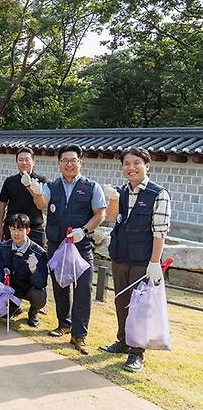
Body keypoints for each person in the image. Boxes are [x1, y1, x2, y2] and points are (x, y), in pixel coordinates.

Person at [100, 147, 171, 373]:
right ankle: (122, 340)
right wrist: (112, 198)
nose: (131, 168)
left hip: (143, 260)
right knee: (121, 301)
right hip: (121, 255)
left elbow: (159, 232)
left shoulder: (158, 194)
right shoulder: (121, 192)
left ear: (147, 165)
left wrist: (154, 263)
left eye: (136, 163)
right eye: (126, 164)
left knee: (139, 306)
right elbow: (112, 218)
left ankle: (136, 352)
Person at [34, 144, 106, 354]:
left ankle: (79, 334)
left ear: (80, 163)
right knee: (59, 285)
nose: (69, 164)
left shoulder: (92, 187)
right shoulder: (52, 186)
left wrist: (84, 230)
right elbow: (41, 203)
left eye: (73, 160)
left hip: (81, 245)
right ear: (58, 164)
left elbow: (100, 214)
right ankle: (63, 323)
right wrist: (35, 190)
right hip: (57, 244)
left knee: (83, 288)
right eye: (64, 160)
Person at [0, 213, 48, 327]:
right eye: (13, 229)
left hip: (28, 288)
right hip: (10, 286)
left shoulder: (39, 253)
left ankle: (33, 313)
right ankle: (13, 306)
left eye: (21, 229)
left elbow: (41, 283)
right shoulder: (3, 247)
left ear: (28, 230)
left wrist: (34, 270)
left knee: (39, 295)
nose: (16, 233)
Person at [0, 147, 47, 246]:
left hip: (34, 228)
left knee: (36, 259)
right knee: (11, 259)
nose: (24, 163)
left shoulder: (41, 180)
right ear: (16, 162)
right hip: (12, 228)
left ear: (33, 162)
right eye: (20, 160)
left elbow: (43, 204)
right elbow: (2, 204)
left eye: (27, 159)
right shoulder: (9, 181)